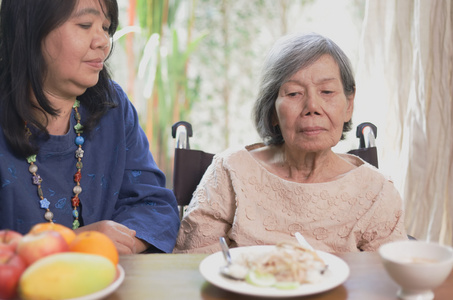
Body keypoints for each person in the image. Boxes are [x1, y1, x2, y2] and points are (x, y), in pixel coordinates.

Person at [0, 0, 180, 255]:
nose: (102, 41)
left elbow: (153, 205)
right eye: (85, 24)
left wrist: (119, 246)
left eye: (106, 27)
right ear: (32, 28)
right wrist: (73, 245)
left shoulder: (113, 107)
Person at [173, 32, 408, 254]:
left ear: (349, 104)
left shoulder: (376, 192)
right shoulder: (230, 171)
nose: (312, 107)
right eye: (294, 93)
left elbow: (390, 277)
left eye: (326, 91)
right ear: (273, 111)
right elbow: (194, 262)